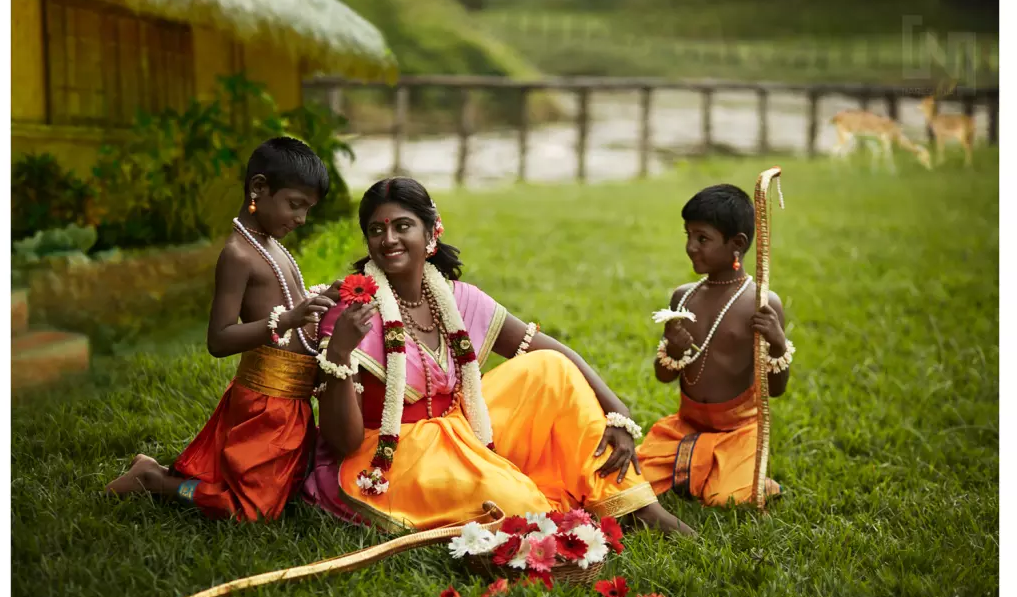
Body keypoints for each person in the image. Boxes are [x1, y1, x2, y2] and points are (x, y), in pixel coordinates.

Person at [303, 177, 695, 536]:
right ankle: (540, 505)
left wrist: (617, 410)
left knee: (551, 369)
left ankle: (637, 506)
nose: (388, 239)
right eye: (376, 230)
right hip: (388, 456)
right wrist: (339, 351)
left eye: (402, 226)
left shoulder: (458, 298)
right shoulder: (353, 312)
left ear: (431, 231)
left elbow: (550, 351)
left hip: (461, 427)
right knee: (518, 505)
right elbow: (343, 442)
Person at [105, 137, 340, 521]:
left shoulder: (271, 245)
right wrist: (287, 320)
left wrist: (323, 298)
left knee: (286, 493)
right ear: (259, 188)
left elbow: (290, 302)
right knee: (250, 509)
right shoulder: (238, 254)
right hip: (266, 403)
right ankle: (156, 480)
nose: (301, 219)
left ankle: (163, 474)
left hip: (291, 402)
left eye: (307, 209)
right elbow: (219, 339)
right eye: (295, 205)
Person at [636, 184, 793, 507]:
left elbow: (775, 390)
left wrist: (778, 346)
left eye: (702, 238)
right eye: (688, 235)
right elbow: (664, 376)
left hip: (738, 430)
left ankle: (742, 474)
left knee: (726, 499)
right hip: (687, 426)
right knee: (633, 481)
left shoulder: (761, 303)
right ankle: (704, 465)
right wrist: (673, 350)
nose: (691, 247)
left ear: (737, 244)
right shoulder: (683, 297)